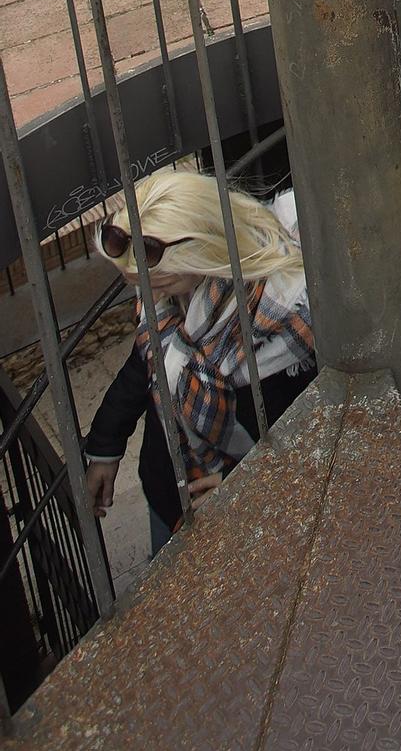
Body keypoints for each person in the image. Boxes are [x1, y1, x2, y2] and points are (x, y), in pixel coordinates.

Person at [83, 167, 315, 553]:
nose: (144, 291)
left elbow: (310, 425)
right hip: (168, 488)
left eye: (154, 281)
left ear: (205, 252)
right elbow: (144, 362)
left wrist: (251, 482)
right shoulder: (169, 290)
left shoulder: (288, 312)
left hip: (259, 509)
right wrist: (105, 446)